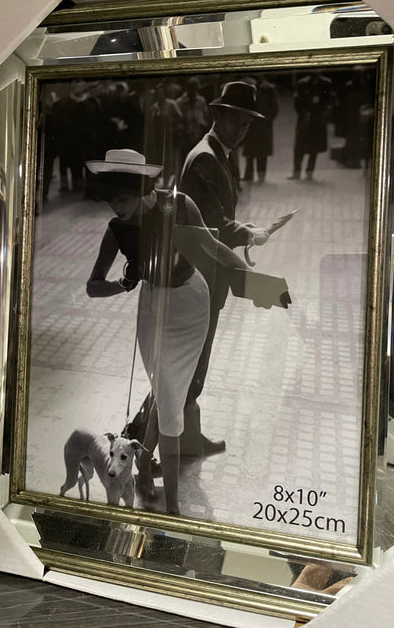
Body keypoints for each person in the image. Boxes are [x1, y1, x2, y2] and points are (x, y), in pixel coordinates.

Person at [84, 148, 268, 516]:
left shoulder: (179, 205)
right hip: (153, 308)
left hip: (192, 304)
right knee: (167, 396)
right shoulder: (117, 229)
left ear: (141, 188)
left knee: (168, 398)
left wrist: (257, 283)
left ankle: (160, 494)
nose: (117, 208)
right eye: (111, 201)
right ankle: (166, 499)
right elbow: (93, 286)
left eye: (122, 199)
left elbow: (212, 246)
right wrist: (123, 283)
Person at [178, 81, 271, 457]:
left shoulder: (217, 152)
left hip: (205, 273)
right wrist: (248, 234)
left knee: (192, 362)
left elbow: (215, 216)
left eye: (246, 124)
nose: (241, 130)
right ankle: (149, 442)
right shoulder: (206, 158)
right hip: (198, 275)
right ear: (216, 115)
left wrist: (244, 229)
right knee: (186, 363)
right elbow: (213, 225)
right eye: (235, 121)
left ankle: (186, 438)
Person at [242, 75, 279, 183]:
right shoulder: (247, 87)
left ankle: (261, 176)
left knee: (262, 153)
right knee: (249, 152)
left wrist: (266, 120)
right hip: (251, 125)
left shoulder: (269, 89)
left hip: (263, 126)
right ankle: (248, 175)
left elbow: (275, 108)